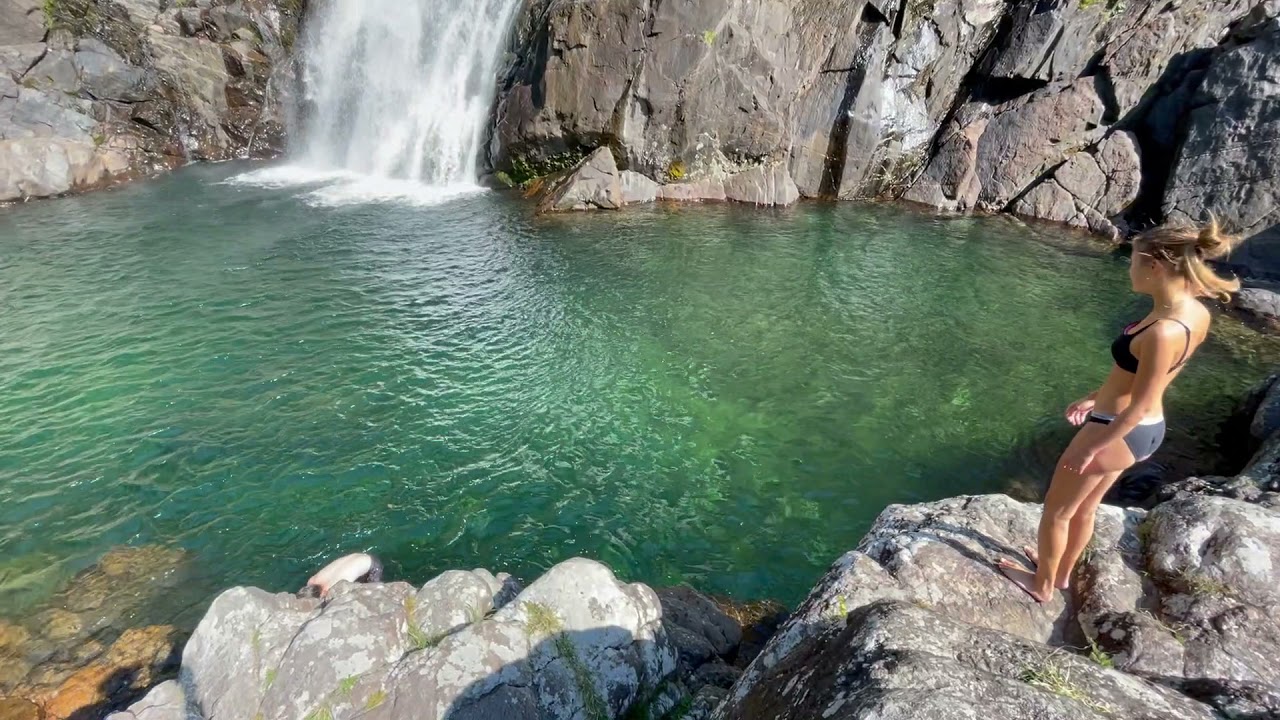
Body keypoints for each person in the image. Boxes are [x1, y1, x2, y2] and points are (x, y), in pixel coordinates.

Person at [999, 220, 1241, 603]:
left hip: (1121, 428)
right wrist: (1095, 397)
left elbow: (1140, 402)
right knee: (1085, 507)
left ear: (1154, 266)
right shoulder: (1193, 312)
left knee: (1056, 511)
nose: (1129, 268)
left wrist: (1094, 447)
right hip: (1139, 427)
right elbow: (1150, 378)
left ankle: (1041, 584)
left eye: (1133, 260)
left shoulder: (1163, 331)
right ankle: (1060, 574)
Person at [298, 552, 384, 598]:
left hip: (373, 565)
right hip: (358, 556)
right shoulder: (312, 580)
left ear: (322, 593)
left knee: (373, 593)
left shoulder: (333, 587)